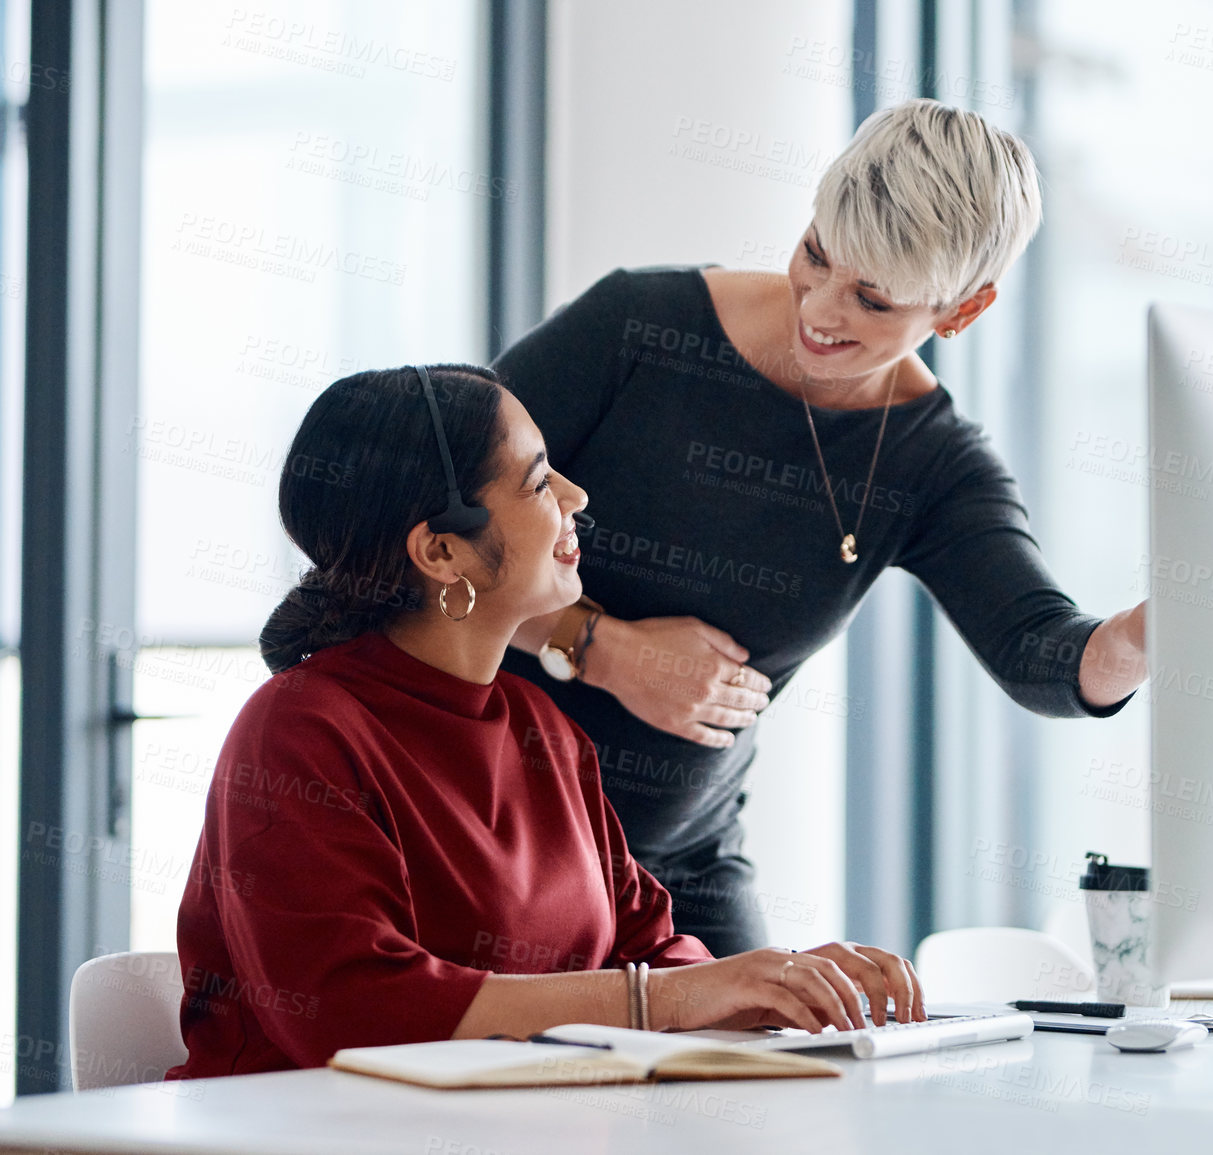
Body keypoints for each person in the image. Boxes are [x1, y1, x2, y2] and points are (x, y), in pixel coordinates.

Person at [495, 99, 1149, 956]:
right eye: (815, 254)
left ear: (963, 310)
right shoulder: (636, 327)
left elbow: (1041, 654)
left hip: (674, 869)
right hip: (482, 829)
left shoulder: (932, 460)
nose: (821, 309)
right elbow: (416, 523)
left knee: (788, 1070)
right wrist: (601, 647)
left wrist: (1151, 631)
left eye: (873, 299)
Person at [167, 364, 925, 1079]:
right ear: (441, 551)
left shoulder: (539, 724)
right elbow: (351, 1009)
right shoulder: (300, 730)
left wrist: (776, 989)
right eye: (536, 481)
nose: (576, 494)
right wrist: (661, 1000)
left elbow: (649, 950)